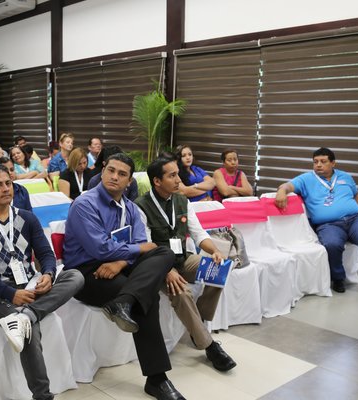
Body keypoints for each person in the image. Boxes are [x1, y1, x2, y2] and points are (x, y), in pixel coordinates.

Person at [63, 153, 185, 400]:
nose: (114, 177)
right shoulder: (84, 204)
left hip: (119, 265)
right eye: (111, 170)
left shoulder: (129, 208)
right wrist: (132, 253)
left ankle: (123, 302)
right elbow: (100, 248)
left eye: (121, 174)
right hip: (88, 272)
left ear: (129, 181)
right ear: (103, 171)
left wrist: (120, 262)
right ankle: (157, 379)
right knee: (147, 297)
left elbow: (141, 242)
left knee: (164, 253)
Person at [0, 163, 83, 400]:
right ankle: (42, 395)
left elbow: (46, 254)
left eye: (8, 183)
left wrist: (48, 274)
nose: (6, 189)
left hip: (30, 285)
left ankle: (28, 313)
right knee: (28, 329)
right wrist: (10, 294)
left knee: (75, 276)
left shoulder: (26, 218)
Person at [135, 157, 237, 372]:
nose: (178, 179)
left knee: (218, 267)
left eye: (177, 174)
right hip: (157, 267)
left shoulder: (182, 201)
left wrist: (215, 251)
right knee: (180, 291)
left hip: (183, 258)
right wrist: (166, 270)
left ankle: (196, 325)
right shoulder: (140, 206)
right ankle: (209, 346)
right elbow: (145, 245)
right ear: (157, 181)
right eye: (171, 175)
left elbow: (199, 233)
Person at [275, 147, 358, 301]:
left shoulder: (345, 177)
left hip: (354, 219)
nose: (318, 165)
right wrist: (282, 192)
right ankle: (337, 278)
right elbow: (287, 186)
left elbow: (357, 195)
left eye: (323, 161)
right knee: (331, 244)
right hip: (329, 224)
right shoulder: (306, 179)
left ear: (333, 163)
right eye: (315, 162)